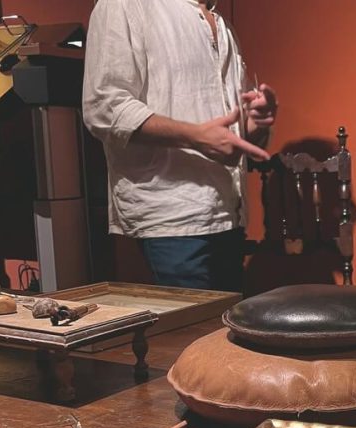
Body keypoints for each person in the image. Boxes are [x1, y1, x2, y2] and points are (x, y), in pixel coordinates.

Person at [82, 0, 277, 292]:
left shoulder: (222, 23)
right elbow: (104, 106)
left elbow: (231, 132)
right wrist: (194, 136)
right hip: (172, 216)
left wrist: (256, 122)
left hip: (229, 213)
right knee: (196, 322)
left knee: (225, 321)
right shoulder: (125, 4)